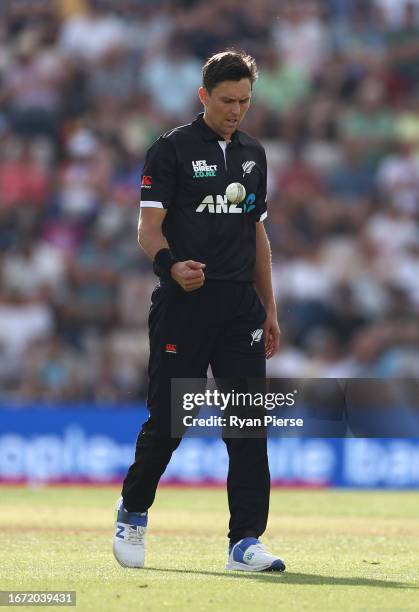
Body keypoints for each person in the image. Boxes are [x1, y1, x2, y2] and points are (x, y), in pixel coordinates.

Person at [113, 50, 285, 572]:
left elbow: (255, 233)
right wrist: (171, 265)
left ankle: (245, 541)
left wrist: (270, 309)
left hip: (239, 309)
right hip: (185, 303)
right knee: (170, 422)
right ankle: (133, 514)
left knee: (248, 426)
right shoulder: (171, 150)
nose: (237, 110)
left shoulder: (253, 154)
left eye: (245, 102)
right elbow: (148, 229)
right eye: (228, 100)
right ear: (203, 96)